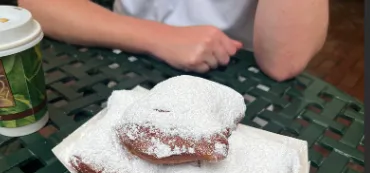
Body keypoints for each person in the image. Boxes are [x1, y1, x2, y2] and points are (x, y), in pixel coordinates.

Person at [23, 0, 329, 80]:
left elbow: (284, 60)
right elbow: (40, 5)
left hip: (235, 76)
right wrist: (159, 36)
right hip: (119, 59)